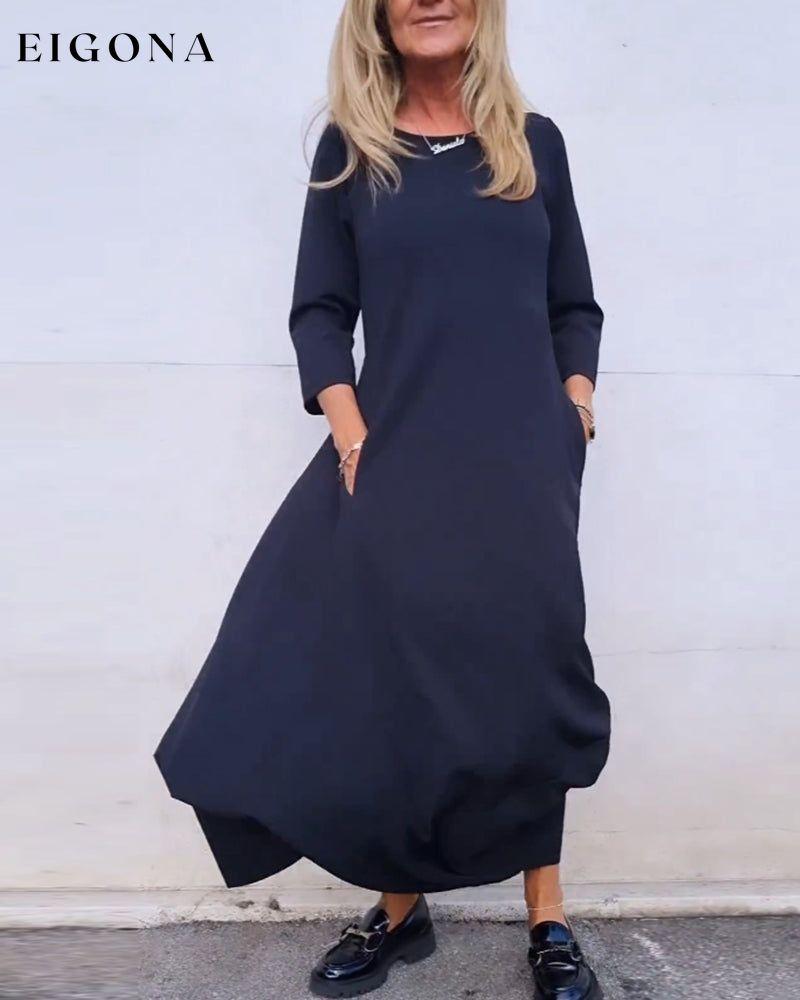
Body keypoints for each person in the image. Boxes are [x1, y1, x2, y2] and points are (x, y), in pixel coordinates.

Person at [156, 1, 611, 997]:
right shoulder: (353, 151)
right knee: (391, 672)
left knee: (525, 671)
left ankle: (547, 917)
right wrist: (351, 429)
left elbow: (571, 302)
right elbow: (319, 310)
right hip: (400, 455)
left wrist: (573, 405)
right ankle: (401, 908)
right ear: (375, 15)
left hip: (522, 464)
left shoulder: (532, 144)